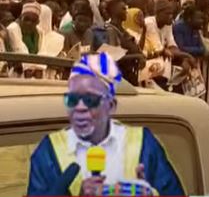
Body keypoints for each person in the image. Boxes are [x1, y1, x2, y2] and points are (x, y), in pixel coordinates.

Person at [27, 53, 184, 196]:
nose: (80, 108)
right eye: (72, 100)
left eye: (90, 100)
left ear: (110, 105)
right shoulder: (49, 150)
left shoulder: (143, 144)